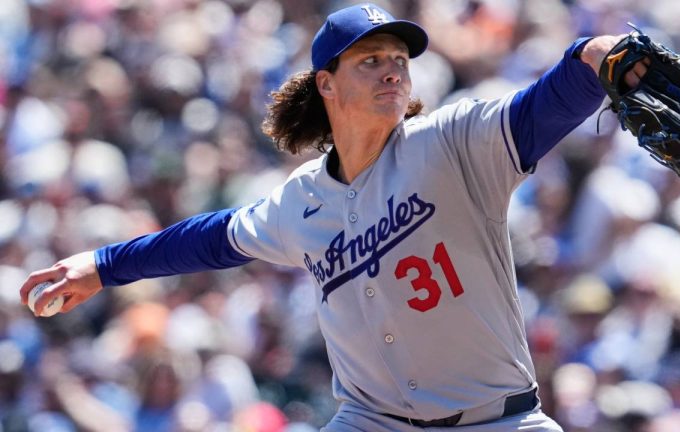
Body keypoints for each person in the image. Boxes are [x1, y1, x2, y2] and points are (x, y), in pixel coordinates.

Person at [20, 3, 646, 431]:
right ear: (326, 84)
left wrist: (594, 54)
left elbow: (544, 107)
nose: (392, 68)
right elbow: (212, 238)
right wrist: (104, 264)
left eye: (398, 57)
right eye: (369, 59)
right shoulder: (302, 201)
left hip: (498, 419)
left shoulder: (453, 143)